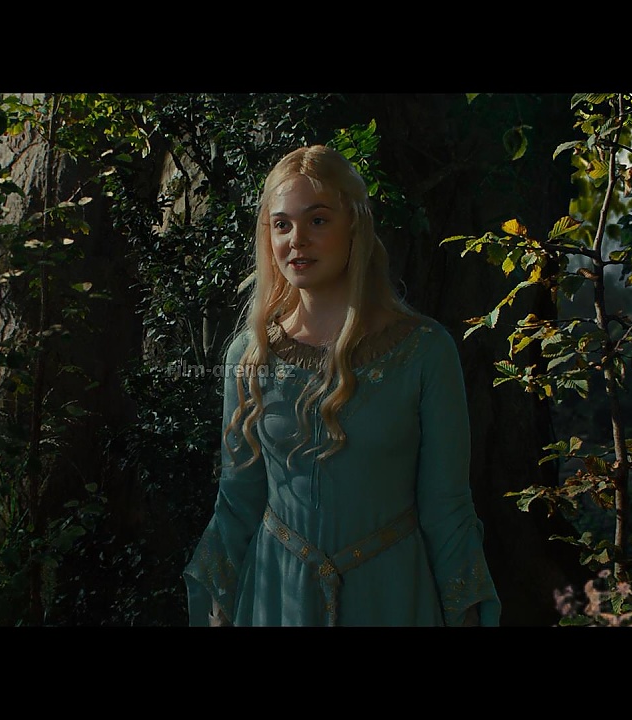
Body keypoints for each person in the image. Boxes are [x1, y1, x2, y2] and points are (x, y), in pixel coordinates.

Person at [182, 144, 501, 626]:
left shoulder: (424, 351)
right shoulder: (250, 356)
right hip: (277, 596)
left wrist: (466, 613)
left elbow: (447, 504)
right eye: (282, 224)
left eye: (317, 220)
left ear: (354, 225)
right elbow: (237, 499)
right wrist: (219, 608)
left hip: (392, 594)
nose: (297, 240)